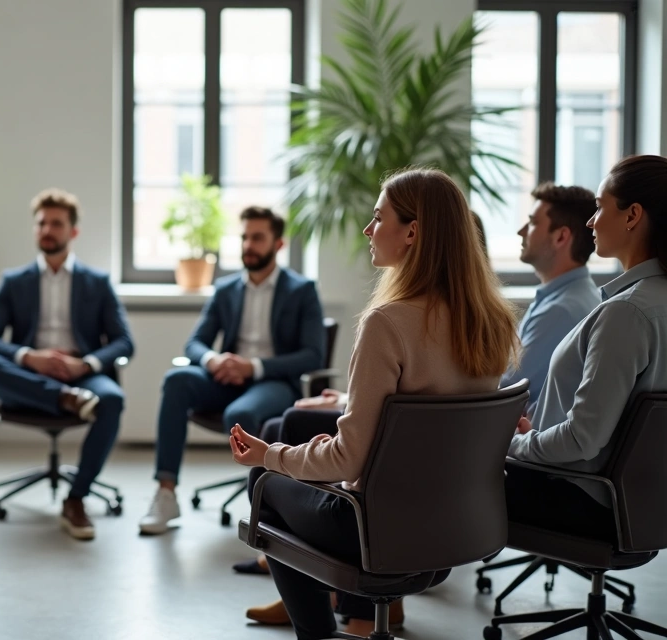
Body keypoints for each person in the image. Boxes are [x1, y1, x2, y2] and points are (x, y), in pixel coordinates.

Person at [228, 168, 520, 640]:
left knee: (265, 481)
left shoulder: (388, 322)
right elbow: (428, 417)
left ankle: (318, 631)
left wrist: (269, 455)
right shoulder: (490, 320)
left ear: (412, 232)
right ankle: (360, 616)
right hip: (456, 524)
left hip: (376, 528)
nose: (368, 229)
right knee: (302, 437)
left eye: (378, 217)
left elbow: (350, 458)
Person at [507, 155, 667, 543]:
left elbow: (582, 439)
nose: (592, 222)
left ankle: (382, 589)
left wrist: (514, 443)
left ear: (632, 216)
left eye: (599, 207)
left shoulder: (626, 312)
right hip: (642, 502)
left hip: (584, 498)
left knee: (438, 474)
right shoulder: (652, 300)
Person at [139, 206, 325, 535]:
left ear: (278, 244)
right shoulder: (226, 290)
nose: (247, 246)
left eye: (257, 238)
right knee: (176, 381)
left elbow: (313, 355)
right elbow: (194, 343)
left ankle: (267, 515)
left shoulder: (301, 290)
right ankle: (166, 494)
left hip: (273, 382)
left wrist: (252, 367)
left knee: (239, 414)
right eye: (244, 237)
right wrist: (214, 360)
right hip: (225, 378)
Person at [0, 188, 134, 541]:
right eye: (41, 223)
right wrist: (30, 357)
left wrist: (86, 364)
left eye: (56, 224)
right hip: (29, 376)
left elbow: (125, 342)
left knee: (113, 400)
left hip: (83, 376)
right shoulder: (14, 282)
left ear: (73, 232)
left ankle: (76, 498)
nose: (47, 230)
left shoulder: (97, 282)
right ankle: (63, 397)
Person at [501, 183, 603, 416]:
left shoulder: (561, 311)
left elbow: (505, 392)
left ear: (561, 236)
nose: (522, 231)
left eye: (533, 222)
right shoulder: (574, 296)